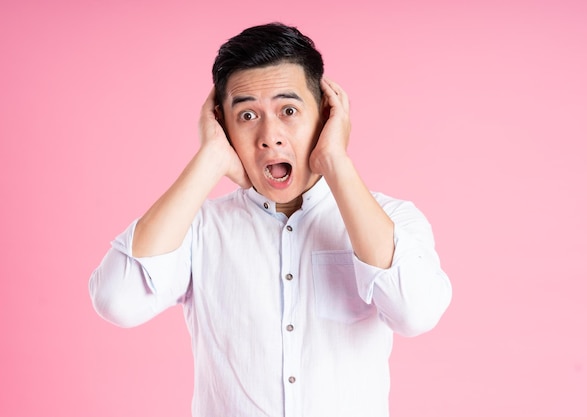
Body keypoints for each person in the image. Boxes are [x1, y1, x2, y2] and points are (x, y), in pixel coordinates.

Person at [89, 22, 452, 417]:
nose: (270, 136)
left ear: (326, 116)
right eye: (247, 115)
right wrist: (209, 159)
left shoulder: (391, 219)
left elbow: (415, 312)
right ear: (222, 126)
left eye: (289, 110)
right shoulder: (198, 228)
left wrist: (336, 161)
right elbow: (117, 301)